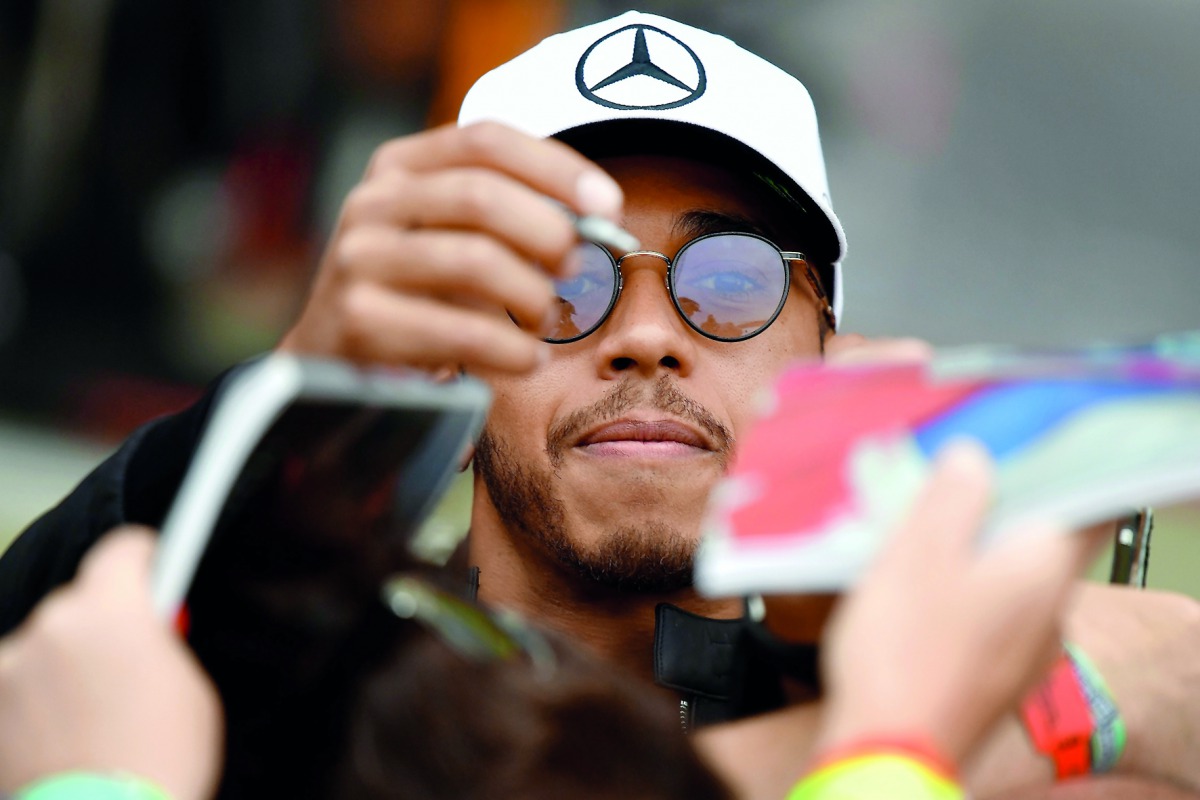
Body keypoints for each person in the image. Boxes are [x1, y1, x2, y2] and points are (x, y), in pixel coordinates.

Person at [1, 10, 1198, 799]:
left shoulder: (1020, 690)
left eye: (726, 281)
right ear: (439, 359)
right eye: (557, 278)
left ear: (828, 350)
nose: (641, 336)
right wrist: (294, 397)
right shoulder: (274, 688)